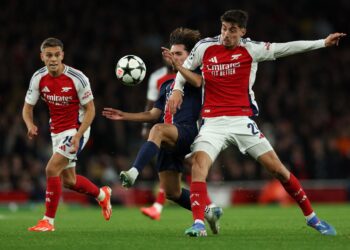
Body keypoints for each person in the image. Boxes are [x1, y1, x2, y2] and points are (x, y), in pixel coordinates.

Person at [164, 10, 346, 237]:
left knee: (279, 170)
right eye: (223, 28)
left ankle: (313, 218)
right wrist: (177, 90)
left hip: (242, 121)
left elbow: (286, 47)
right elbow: (184, 71)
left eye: (232, 30)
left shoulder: (252, 49)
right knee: (199, 167)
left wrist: (322, 42)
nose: (226, 35)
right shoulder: (204, 47)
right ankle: (199, 224)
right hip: (213, 123)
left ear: (242, 31)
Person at [102, 27, 223, 234]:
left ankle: (133, 172)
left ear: (190, 56)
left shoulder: (197, 75)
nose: (174, 57)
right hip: (169, 139)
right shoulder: (166, 85)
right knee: (172, 192)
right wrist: (125, 115)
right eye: (172, 53)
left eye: (179, 54)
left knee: (157, 130)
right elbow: (153, 114)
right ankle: (207, 212)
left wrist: (178, 65)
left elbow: (198, 82)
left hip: (187, 133)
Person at [23, 37, 112, 232]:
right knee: (70, 181)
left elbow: (91, 110)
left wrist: (79, 135)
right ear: (42, 57)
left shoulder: (78, 78)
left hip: (76, 128)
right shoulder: (38, 77)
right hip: (57, 131)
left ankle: (48, 221)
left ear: (62, 55)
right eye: (49, 55)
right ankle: (103, 195)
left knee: (51, 169)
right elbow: (27, 108)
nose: (53, 59)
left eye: (56, 55)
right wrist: (30, 124)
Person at [140, 64, 176, 220]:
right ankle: (158, 206)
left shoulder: (191, 72)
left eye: (176, 53)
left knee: (192, 165)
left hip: (188, 124)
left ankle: (207, 205)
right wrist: (145, 126)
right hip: (167, 126)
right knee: (174, 164)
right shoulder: (157, 77)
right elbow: (151, 103)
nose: (170, 57)